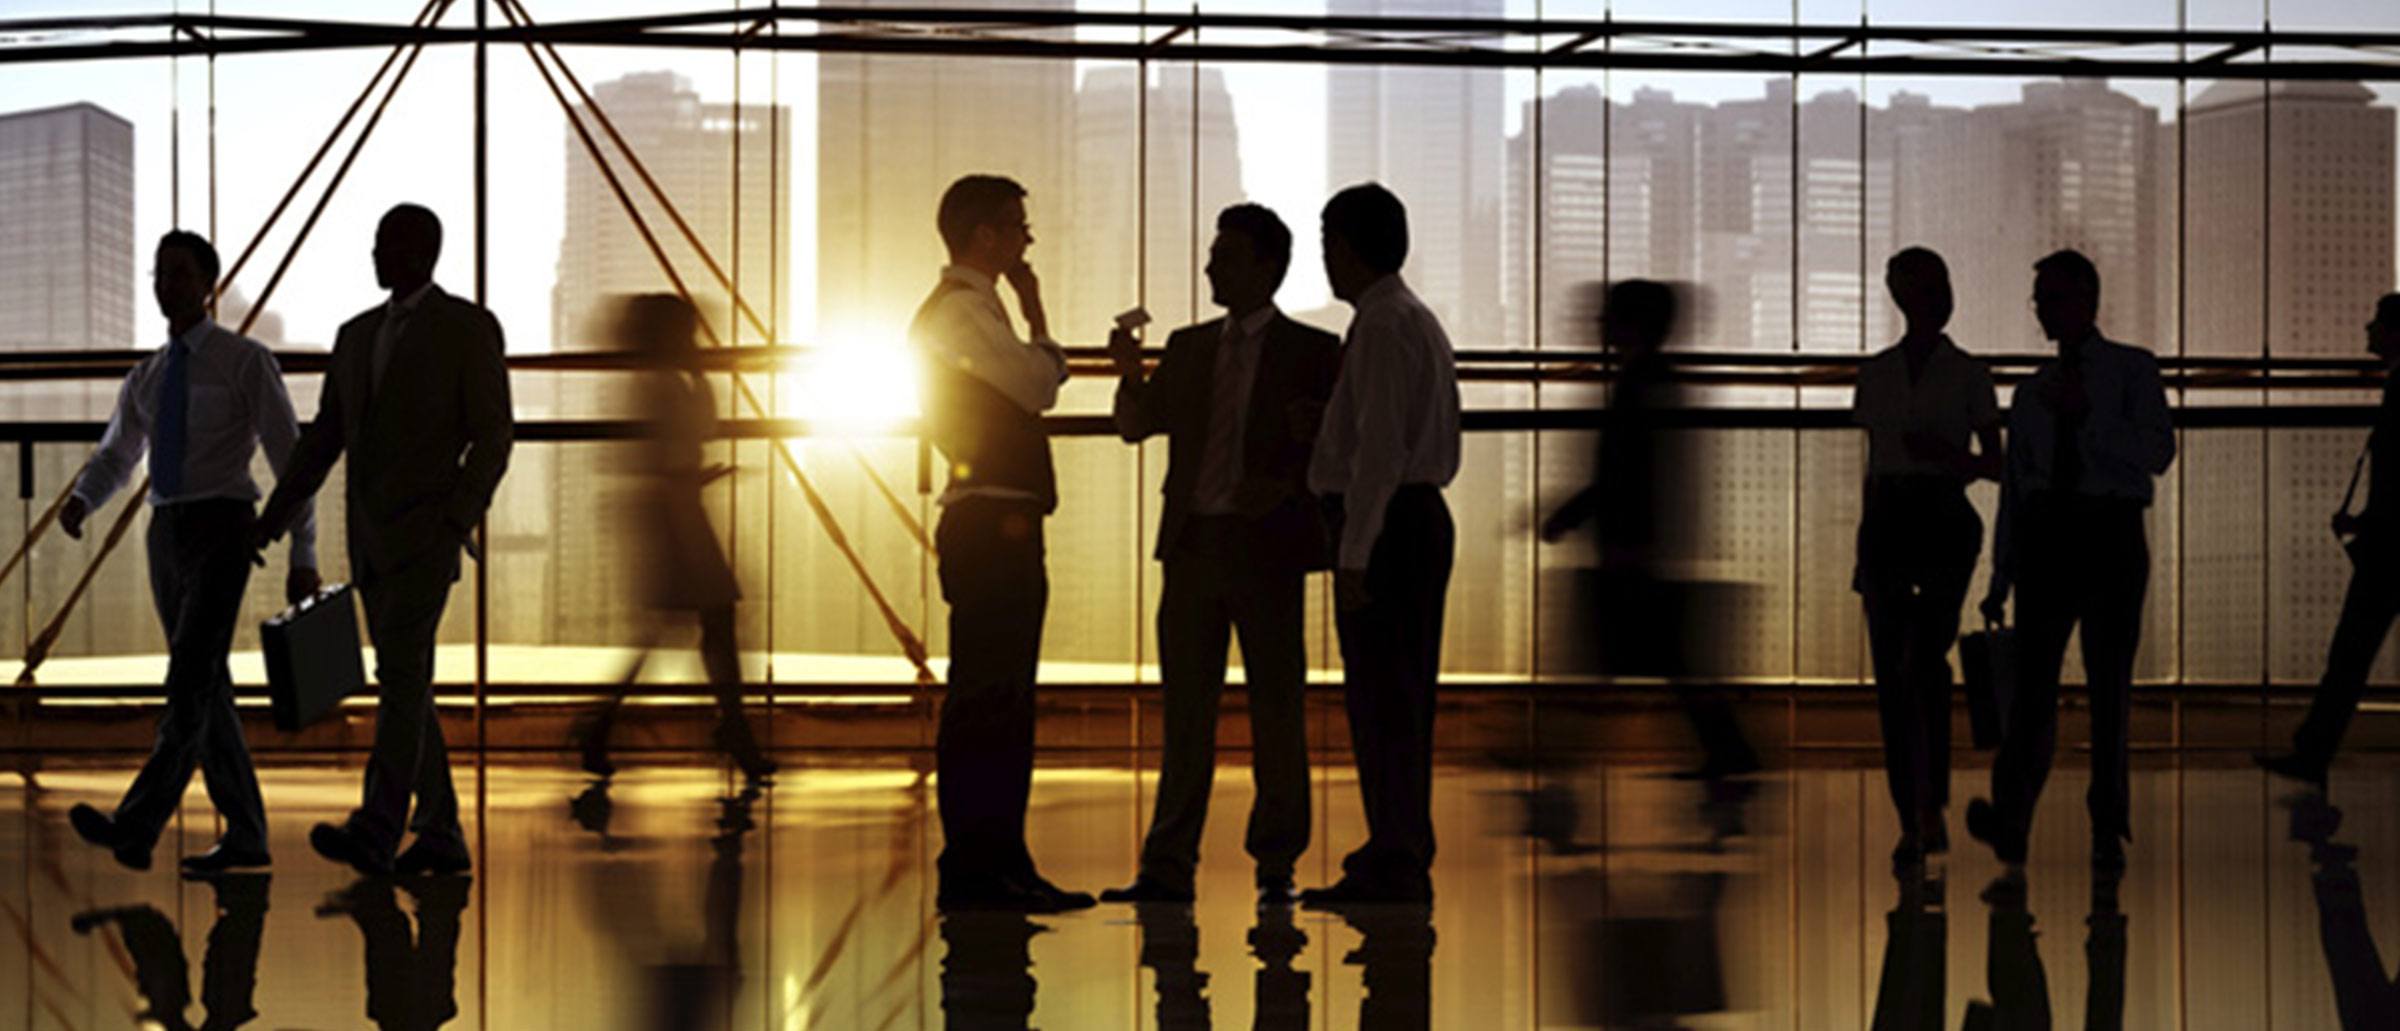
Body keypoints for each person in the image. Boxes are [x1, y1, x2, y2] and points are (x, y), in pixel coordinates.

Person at [256, 203, 514, 878]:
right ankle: (441, 833)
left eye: (385, 244)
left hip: (427, 539)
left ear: (421, 252)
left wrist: (457, 519)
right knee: (406, 684)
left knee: (400, 679)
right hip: (372, 542)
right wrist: (273, 517)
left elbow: (494, 434)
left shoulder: (465, 329)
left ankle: (377, 827)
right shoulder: (355, 335)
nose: (373, 255)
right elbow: (323, 440)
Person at [1098, 203, 1340, 908]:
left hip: (1265, 550)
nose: (1210, 265)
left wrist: (1287, 483)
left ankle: (1275, 863)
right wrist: (1128, 373)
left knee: (1276, 711)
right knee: (1186, 714)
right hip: (1194, 547)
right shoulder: (1188, 345)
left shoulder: (1314, 353)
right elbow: (1135, 426)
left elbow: (1332, 451)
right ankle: (1168, 866)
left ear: (1266, 267)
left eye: (1225, 255)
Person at [65, 229, 319, 876]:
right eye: (158, 273)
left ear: (208, 284)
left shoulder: (243, 361)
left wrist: (302, 551)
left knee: (187, 679)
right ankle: (247, 835)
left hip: (224, 527)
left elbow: (292, 460)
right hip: (165, 532)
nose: (164, 284)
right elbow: (119, 454)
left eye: (178, 273)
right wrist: (81, 501)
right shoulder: (147, 375)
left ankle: (137, 822)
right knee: (205, 684)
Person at [910, 174, 1090, 913]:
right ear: (983, 235)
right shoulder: (958, 314)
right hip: (990, 525)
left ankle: (998, 860)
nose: (1027, 238)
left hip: (995, 521)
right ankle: (981, 864)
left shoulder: (970, 310)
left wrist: (1031, 329)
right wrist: (1040, 319)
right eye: (1017, 224)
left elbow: (1028, 378)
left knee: (1002, 696)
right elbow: (1036, 384)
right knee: (991, 696)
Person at [1969, 249, 2175, 884]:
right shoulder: (2031, 392)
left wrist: (2089, 421)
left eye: (2051, 297)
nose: (2042, 309)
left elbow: (2157, 454)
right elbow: (2019, 488)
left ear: (2087, 299)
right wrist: (2002, 572)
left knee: (2108, 689)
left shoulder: (2130, 372)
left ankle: (2104, 826)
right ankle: (2015, 818)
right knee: (2035, 689)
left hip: (2106, 532)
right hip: (2051, 536)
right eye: (2040, 299)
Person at [1300, 182, 1461, 907]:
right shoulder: (1406, 317)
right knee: (1400, 693)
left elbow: (1379, 453)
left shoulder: (1384, 324)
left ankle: (1395, 851)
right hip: (1411, 521)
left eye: (1329, 241)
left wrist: (1355, 551)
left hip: (1390, 525)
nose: (1325, 257)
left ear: (1353, 246)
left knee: (1383, 696)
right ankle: (1397, 841)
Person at [1544, 279, 1759, 784]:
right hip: (1645, 544)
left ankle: (1553, 756)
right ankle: (1728, 749)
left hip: (1632, 544)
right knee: (1667, 658)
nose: (1599, 325)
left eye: (1609, 316)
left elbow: (1622, 472)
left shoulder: (1640, 383)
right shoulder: (1654, 379)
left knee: (1608, 655)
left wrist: (1574, 516)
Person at [569, 294, 775, 783]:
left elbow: (690, 436)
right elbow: (689, 437)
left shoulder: (658, 382)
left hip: (675, 509)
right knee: (710, 619)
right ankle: (729, 729)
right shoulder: (657, 385)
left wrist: (699, 380)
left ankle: (603, 724)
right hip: (674, 515)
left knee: (689, 623)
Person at [1851, 247, 2004, 871]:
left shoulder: (1967, 373)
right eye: (1924, 289)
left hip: (1935, 517)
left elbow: (1993, 464)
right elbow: (1872, 467)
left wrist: (1945, 457)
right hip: (1898, 521)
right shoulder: (1883, 372)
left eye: (1938, 286)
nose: (1936, 299)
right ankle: (1917, 812)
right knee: (1902, 671)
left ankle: (1923, 812)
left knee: (1915, 664)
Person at [2259, 293, 2400, 790]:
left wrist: (2366, 522)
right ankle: (2312, 749)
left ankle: (2313, 751)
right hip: (2387, 541)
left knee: (2350, 653)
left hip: (2389, 550)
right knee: (2349, 653)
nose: (2367, 331)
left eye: (2376, 324)